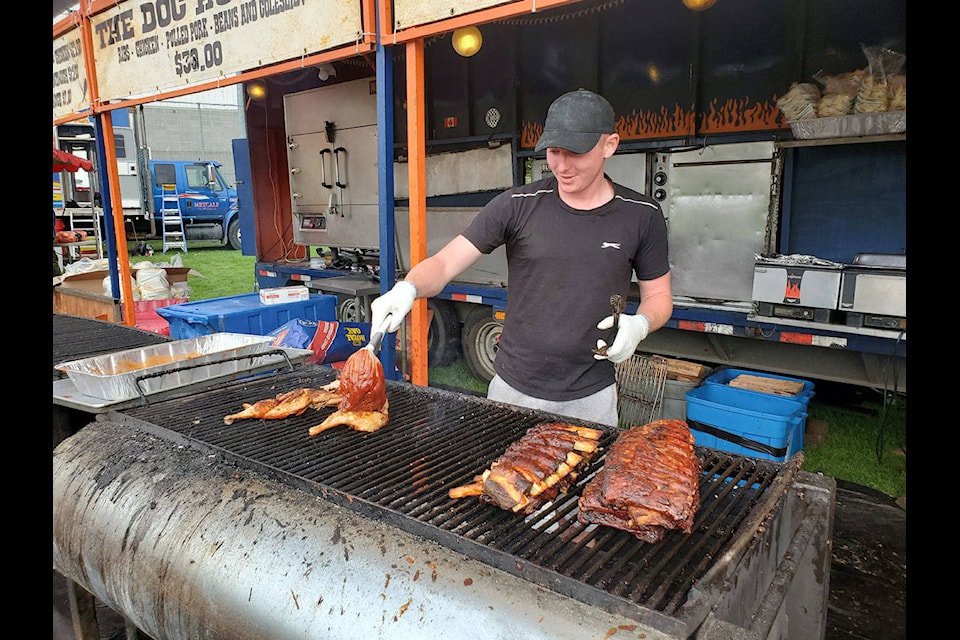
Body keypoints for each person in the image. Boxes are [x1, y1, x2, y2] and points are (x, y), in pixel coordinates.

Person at [370, 89, 672, 427]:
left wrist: (641, 324)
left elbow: (659, 297)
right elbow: (444, 263)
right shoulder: (518, 205)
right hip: (513, 390)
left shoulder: (642, 215)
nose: (562, 165)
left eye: (575, 153)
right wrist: (407, 288)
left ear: (609, 145)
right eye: (555, 152)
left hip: (592, 397)